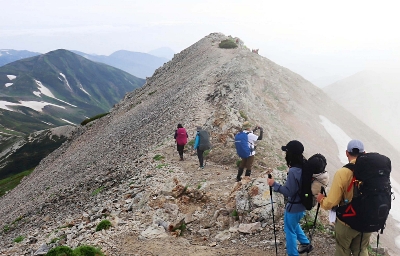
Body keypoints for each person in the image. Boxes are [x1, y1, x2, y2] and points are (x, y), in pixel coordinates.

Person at [316, 139, 370, 256]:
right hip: (368, 221)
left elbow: (332, 202)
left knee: (342, 250)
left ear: (347, 153)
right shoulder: (372, 171)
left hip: (348, 221)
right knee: (361, 250)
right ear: (364, 153)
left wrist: (321, 200)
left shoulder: (343, 173)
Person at [267, 140, 313, 255]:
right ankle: (305, 243)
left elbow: (289, 192)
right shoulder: (304, 165)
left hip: (294, 207)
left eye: (286, 152)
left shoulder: (294, 171)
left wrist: (274, 184)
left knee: (289, 230)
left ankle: (293, 254)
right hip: (302, 204)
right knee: (293, 224)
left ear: (290, 154)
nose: (285, 154)